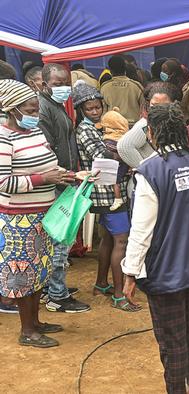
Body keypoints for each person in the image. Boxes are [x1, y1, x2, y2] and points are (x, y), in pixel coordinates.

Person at [121, 103, 189, 394]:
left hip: (164, 269)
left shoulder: (150, 171)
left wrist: (130, 272)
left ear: (152, 134)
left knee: (172, 338)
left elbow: (141, 230)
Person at [0, 80, 73, 346]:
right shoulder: (3, 137)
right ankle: (27, 330)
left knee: (41, 269)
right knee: (22, 274)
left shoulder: (35, 133)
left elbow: (49, 166)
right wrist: (43, 178)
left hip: (44, 214)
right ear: (12, 109)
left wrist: (69, 176)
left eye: (35, 111)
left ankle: (36, 321)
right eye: (30, 110)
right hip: (18, 220)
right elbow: (3, 182)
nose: (35, 115)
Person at [72, 82, 140, 313]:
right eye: (90, 109)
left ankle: (102, 283)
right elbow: (102, 154)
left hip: (108, 190)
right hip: (107, 193)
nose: (95, 112)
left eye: (98, 107)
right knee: (122, 240)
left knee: (109, 240)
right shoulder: (86, 130)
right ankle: (120, 295)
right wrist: (127, 151)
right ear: (81, 110)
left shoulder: (99, 127)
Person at [38, 63, 91, 313]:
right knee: (60, 238)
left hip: (66, 179)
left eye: (65, 83)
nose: (63, 88)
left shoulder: (56, 106)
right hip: (57, 182)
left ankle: (53, 287)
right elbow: (45, 150)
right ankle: (56, 295)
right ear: (45, 84)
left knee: (60, 238)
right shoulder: (42, 109)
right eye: (57, 84)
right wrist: (65, 174)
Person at [118, 82, 178, 169]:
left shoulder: (172, 122)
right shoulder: (145, 123)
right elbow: (124, 146)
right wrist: (146, 170)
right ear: (148, 104)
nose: (159, 109)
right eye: (154, 105)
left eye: (164, 105)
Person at [99, 55, 145, 127]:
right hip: (133, 127)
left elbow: (103, 111)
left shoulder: (104, 87)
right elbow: (144, 109)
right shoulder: (136, 86)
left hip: (113, 127)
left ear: (110, 70)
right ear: (125, 69)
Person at [100, 108, 131, 211]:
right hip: (126, 164)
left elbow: (112, 150)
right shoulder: (125, 137)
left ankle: (118, 199)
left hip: (122, 165)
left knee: (115, 180)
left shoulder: (112, 140)